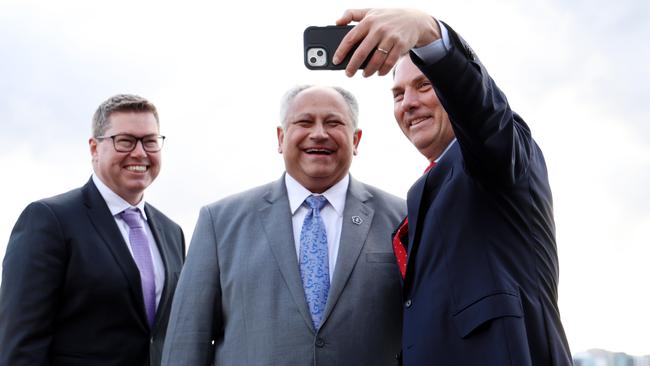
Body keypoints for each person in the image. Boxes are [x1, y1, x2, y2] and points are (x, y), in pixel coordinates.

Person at [334, 8, 573, 365]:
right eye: (398, 95)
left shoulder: (499, 155)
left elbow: (482, 110)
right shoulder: (423, 191)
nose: (409, 103)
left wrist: (428, 33)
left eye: (425, 85)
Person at [161, 85, 405, 366]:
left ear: (356, 139)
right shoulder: (219, 223)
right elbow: (187, 340)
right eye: (304, 122)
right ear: (281, 137)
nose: (319, 133)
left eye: (333, 122)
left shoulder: (402, 219)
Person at [0, 94, 185, 366]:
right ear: (94, 148)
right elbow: (21, 344)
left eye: (150, 141)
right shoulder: (48, 220)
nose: (140, 152)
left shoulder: (173, 233)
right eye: (125, 141)